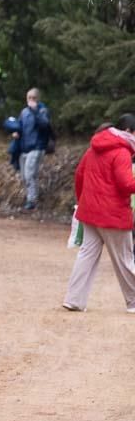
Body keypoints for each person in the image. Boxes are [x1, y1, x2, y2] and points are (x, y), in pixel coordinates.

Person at [62, 115, 135, 312]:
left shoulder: (93, 148)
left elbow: (79, 175)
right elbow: (126, 184)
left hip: (90, 212)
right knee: (126, 260)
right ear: (129, 131)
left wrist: (83, 201)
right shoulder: (121, 152)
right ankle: (134, 302)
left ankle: (74, 300)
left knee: (86, 255)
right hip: (113, 215)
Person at [13, 88, 52, 211]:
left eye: (33, 98)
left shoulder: (42, 110)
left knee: (30, 174)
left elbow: (45, 125)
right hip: (24, 148)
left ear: (38, 99)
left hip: (37, 147)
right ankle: (31, 197)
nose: (31, 100)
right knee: (25, 176)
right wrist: (15, 132)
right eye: (29, 98)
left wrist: (35, 111)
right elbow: (20, 125)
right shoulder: (24, 112)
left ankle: (32, 200)